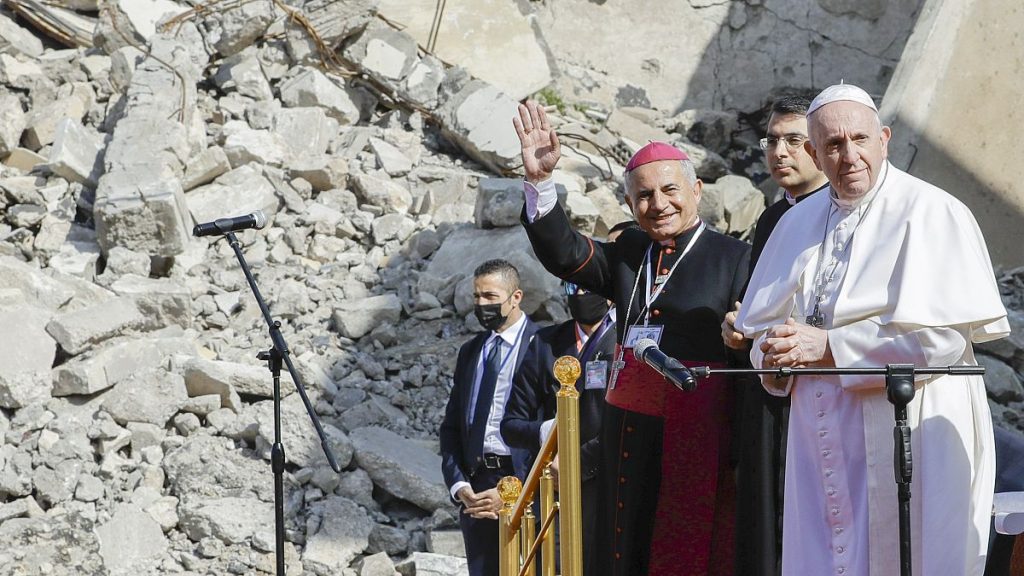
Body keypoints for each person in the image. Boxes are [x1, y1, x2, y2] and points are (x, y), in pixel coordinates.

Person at [735, 83, 1010, 576]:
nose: (848, 155)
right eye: (833, 145)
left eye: (859, 139)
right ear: (815, 153)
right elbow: (762, 334)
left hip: (911, 428)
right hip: (820, 435)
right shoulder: (795, 224)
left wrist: (829, 347)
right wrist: (772, 360)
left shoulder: (932, 211)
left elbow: (942, 342)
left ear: (883, 139)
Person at [514, 100, 750, 576]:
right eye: (643, 196)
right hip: (626, 431)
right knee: (622, 545)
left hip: (695, 433)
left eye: (669, 190)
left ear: (696, 189)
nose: (658, 204)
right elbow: (568, 255)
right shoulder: (630, 250)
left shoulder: (735, 258)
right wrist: (541, 183)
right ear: (629, 204)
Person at [721, 95, 829, 576]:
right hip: (767, 389)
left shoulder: (838, 211)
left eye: (793, 140)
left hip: (823, 385)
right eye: (772, 140)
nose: (779, 152)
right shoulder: (769, 217)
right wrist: (736, 325)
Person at [502, 279, 616, 574]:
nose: (579, 295)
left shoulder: (624, 341)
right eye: (571, 288)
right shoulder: (546, 343)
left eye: (587, 287)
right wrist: (549, 434)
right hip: (553, 493)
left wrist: (578, 459)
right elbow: (512, 424)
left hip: (609, 484)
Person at [439, 259, 541, 576]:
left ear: (516, 297)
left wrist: (520, 488)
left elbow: (554, 431)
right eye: (477, 297)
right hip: (478, 489)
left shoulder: (544, 345)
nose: (482, 305)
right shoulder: (471, 351)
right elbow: (453, 426)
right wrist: (459, 485)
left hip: (527, 485)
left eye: (490, 297)